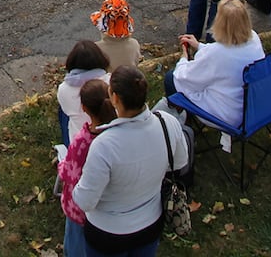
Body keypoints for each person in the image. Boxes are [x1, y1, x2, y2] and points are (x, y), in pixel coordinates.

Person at [71, 66, 187, 257]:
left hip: (107, 234)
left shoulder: (104, 145)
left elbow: (85, 201)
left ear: (115, 98)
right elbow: (180, 163)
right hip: (150, 224)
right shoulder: (168, 123)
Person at [163, 0, 265, 126]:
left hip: (229, 114)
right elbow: (221, 53)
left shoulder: (217, 54)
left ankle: (180, 121)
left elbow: (184, 78)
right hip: (253, 104)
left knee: (170, 78)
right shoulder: (254, 38)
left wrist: (184, 58)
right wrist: (199, 46)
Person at [58, 81, 118, 257]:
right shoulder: (118, 134)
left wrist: (61, 165)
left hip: (79, 209)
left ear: (84, 108)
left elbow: (70, 174)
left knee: (75, 245)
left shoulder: (81, 142)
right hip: (110, 207)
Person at [56, 41, 110, 144]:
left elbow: (66, 110)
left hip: (78, 143)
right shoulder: (110, 83)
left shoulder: (64, 89)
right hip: (109, 137)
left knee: (63, 112)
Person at [90, 0, 141, 72]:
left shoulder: (96, 49)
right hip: (130, 78)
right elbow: (136, 63)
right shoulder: (134, 44)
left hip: (109, 81)